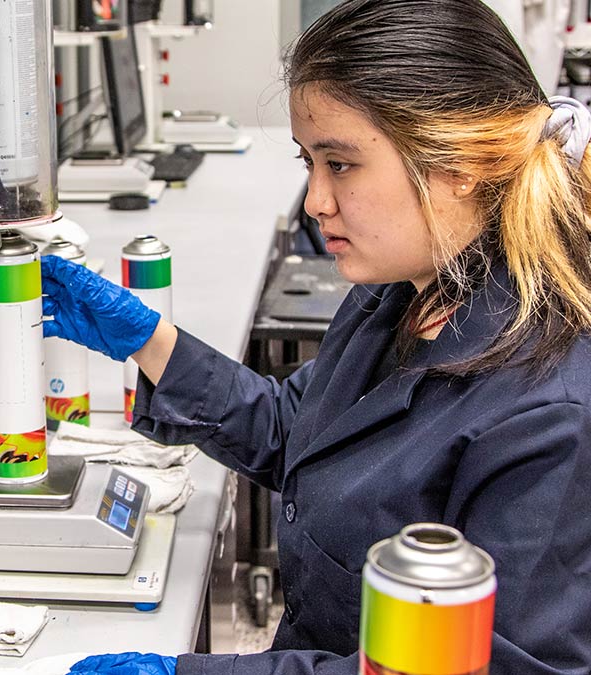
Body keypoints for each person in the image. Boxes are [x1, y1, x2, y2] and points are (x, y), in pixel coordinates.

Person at [45, 0, 591, 673]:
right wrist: (149, 340)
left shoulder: (547, 411)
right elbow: (303, 430)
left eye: (341, 164)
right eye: (310, 162)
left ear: (458, 161)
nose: (315, 202)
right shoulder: (407, 287)